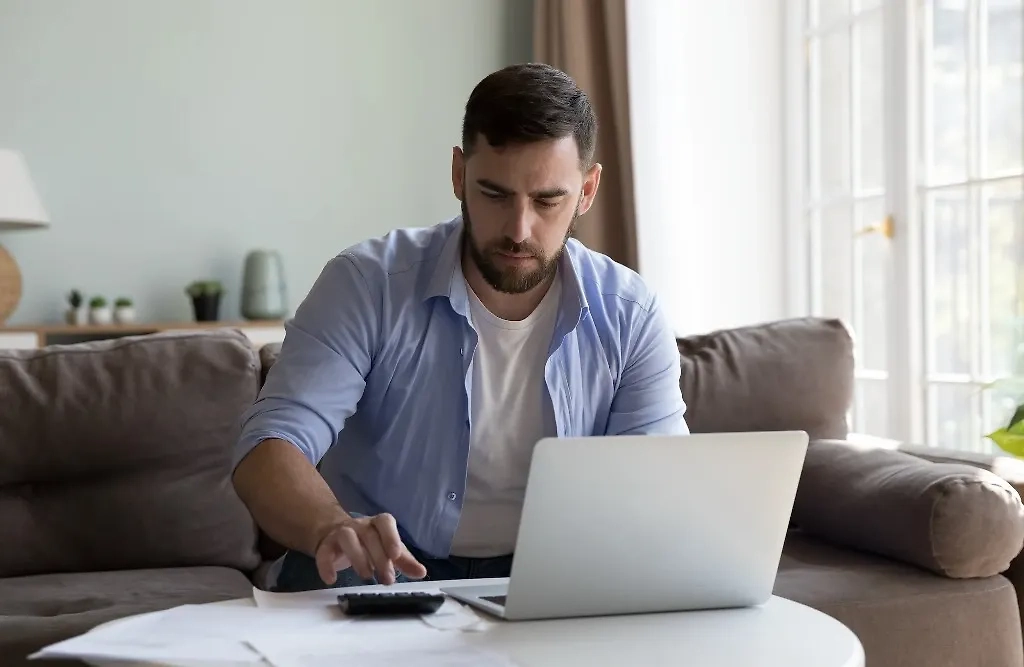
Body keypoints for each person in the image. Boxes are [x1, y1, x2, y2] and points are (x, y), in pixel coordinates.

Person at [231, 62, 689, 593]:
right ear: (458, 175)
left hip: (548, 576)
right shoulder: (367, 284)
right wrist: (330, 526)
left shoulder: (630, 315)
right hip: (377, 570)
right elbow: (270, 446)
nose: (518, 229)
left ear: (586, 191)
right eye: (494, 194)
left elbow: (658, 485)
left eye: (547, 201)